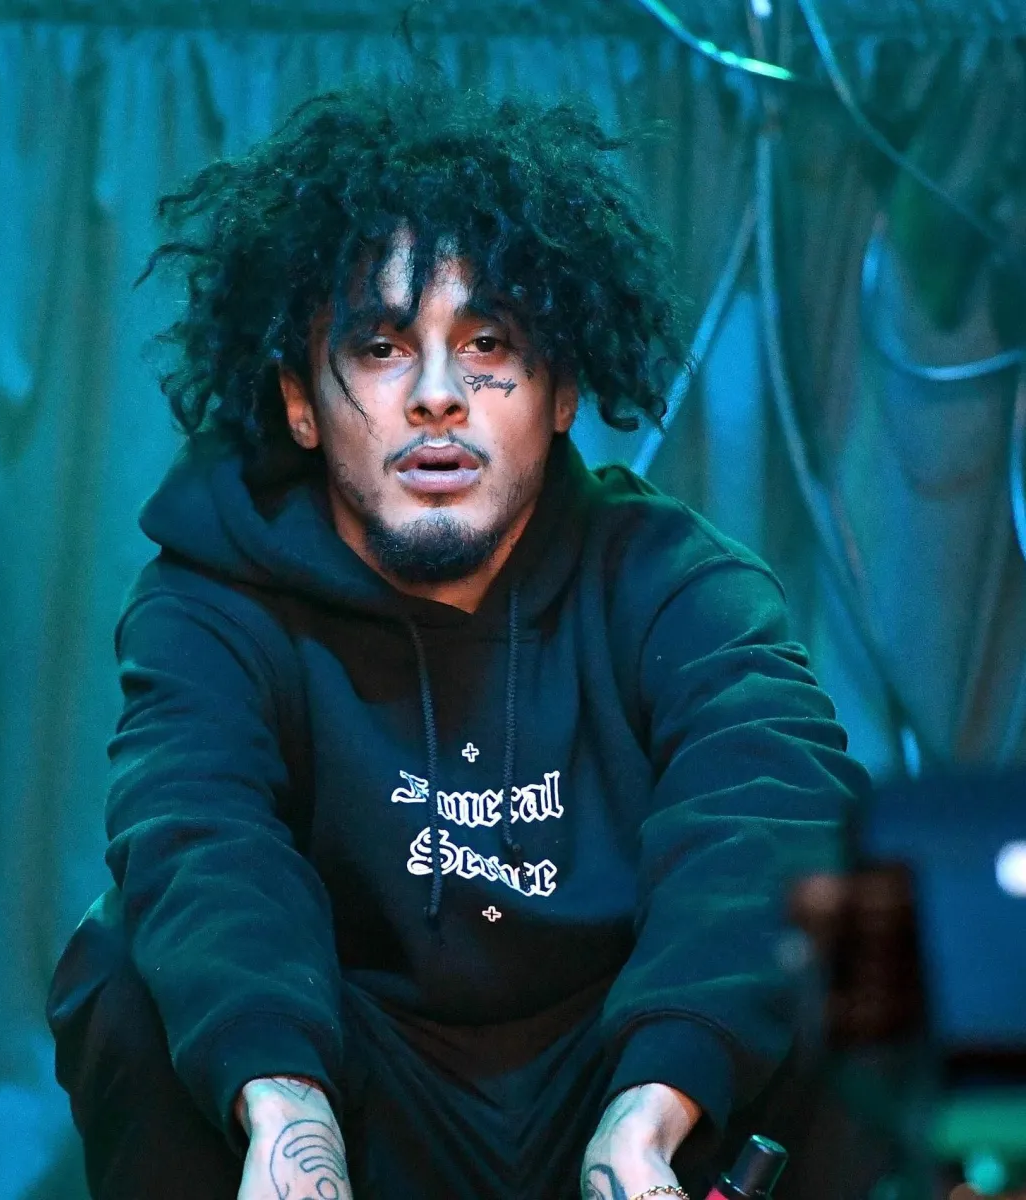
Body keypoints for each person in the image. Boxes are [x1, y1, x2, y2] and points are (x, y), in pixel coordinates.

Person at [46, 74, 869, 1200]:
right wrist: (285, 1111)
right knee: (122, 963)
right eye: (382, 347)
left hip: (626, 1080)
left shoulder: (677, 580)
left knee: (852, 940)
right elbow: (200, 838)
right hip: (361, 1089)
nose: (438, 395)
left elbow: (769, 817)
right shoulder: (211, 595)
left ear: (562, 393)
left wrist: (655, 1107)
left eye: (488, 341)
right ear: (300, 400)